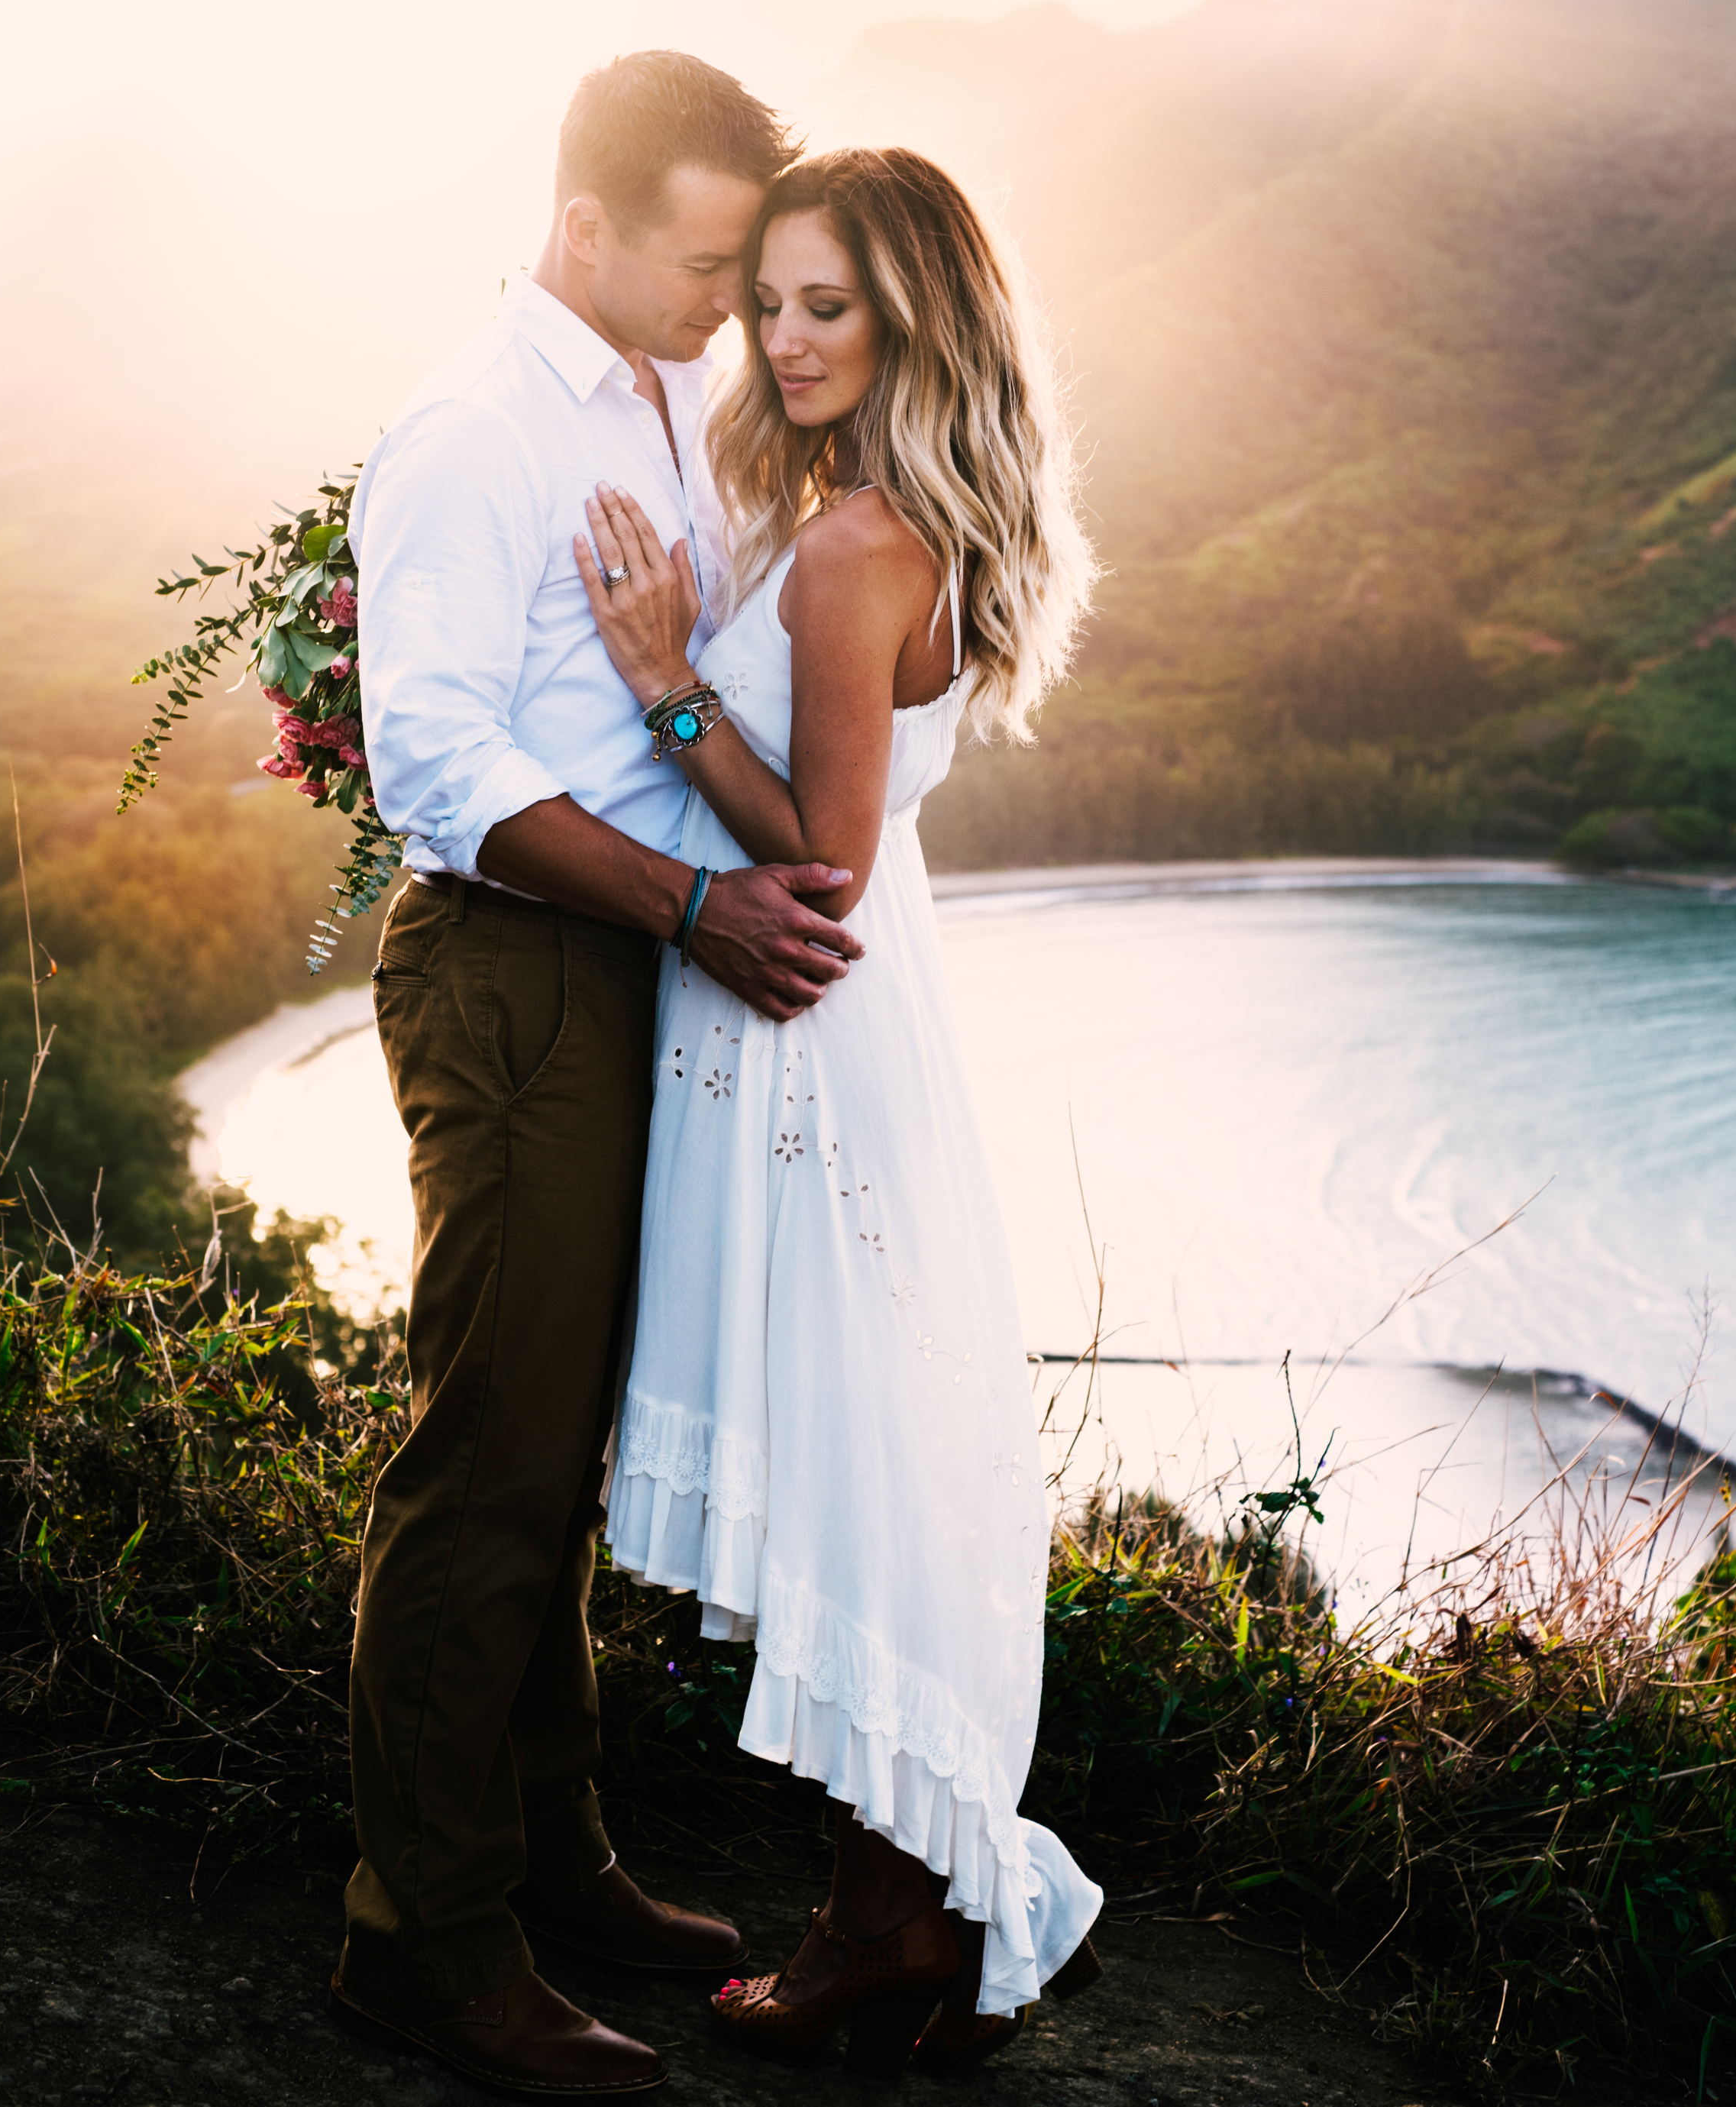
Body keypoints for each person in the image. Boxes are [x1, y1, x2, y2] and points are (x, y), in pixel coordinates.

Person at [331, 54, 870, 2097]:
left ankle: (551, 1865)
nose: (734, 306)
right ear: (583, 225)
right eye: (707, 259)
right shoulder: (474, 436)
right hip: (521, 974)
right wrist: (695, 906)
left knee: (560, 1458)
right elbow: (441, 766)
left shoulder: (659, 395)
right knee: (483, 1465)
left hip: (624, 973)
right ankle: (422, 1940)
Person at [574, 144, 1105, 2076]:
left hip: (802, 1033)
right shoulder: (885, 523)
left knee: (861, 1465)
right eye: (772, 301)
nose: (784, 340)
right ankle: (893, 1907)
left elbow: (822, 858)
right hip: (857, 1041)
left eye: (828, 307)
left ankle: (888, 1928)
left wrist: (659, 689)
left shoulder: (858, 545)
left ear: (908, 322)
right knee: (880, 1446)